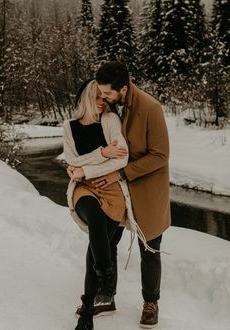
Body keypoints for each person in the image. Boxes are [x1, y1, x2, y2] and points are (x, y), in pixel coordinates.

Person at [91, 61, 171, 329]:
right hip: (115, 190)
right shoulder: (108, 108)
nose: (102, 97)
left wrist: (122, 173)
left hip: (146, 188)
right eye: (100, 93)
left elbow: (160, 156)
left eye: (107, 93)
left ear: (123, 88)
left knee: (149, 248)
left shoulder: (151, 108)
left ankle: (151, 303)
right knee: (106, 241)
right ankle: (106, 295)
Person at [63, 79, 137, 330]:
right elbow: (70, 159)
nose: (102, 102)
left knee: (95, 245)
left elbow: (122, 158)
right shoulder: (69, 126)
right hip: (83, 189)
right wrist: (102, 154)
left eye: (105, 98)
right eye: (96, 97)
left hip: (111, 189)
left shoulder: (110, 120)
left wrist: (84, 169)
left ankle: (87, 309)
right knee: (94, 218)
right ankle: (105, 274)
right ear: (85, 97)